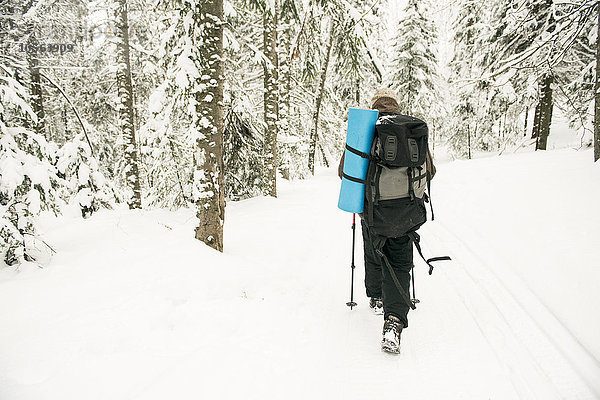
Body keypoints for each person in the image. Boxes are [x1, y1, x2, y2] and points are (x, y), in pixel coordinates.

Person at [338, 87, 436, 353]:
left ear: (375, 106)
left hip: (373, 213)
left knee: (374, 252)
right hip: (406, 213)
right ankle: (393, 323)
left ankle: (377, 297)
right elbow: (431, 171)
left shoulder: (366, 131)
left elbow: (343, 172)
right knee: (401, 263)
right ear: (396, 106)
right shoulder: (412, 131)